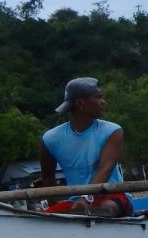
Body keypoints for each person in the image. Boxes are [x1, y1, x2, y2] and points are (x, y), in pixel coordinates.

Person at [39, 77, 133, 217]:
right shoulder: (50, 138)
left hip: (112, 195)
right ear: (80, 103)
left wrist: (86, 198)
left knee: (107, 207)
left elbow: (105, 169)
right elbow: (47, 177)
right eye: (98, 97)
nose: (103, 102)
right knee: (44, 215)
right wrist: (54, 209)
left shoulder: (112, 131)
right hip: (76, 202)